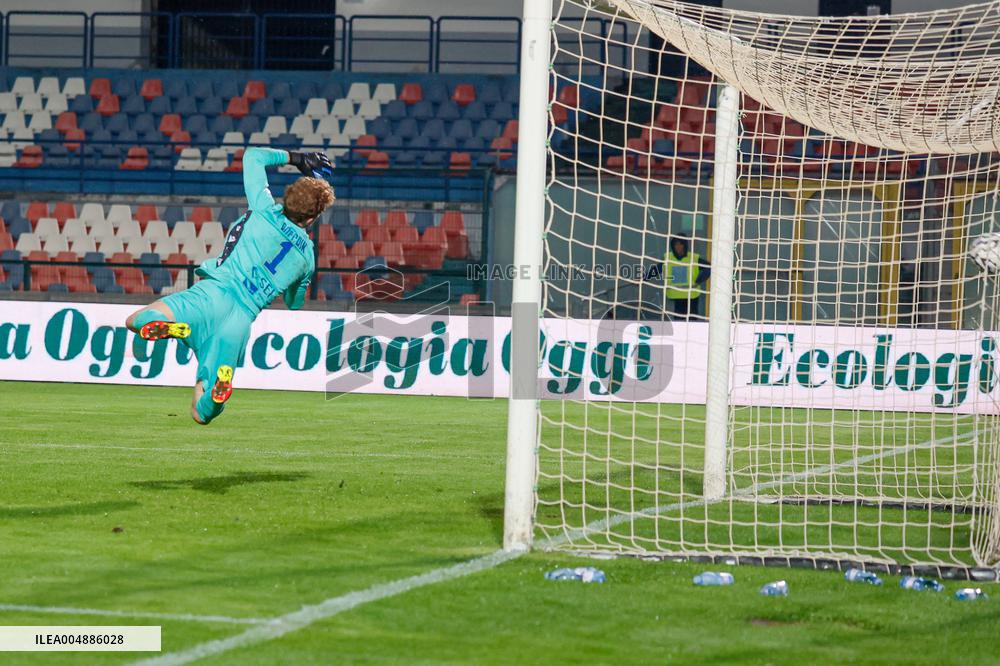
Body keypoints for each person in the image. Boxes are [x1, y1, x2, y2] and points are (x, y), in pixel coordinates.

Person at [125, 148, 335, 424]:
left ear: (288, 199)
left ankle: (167, 327)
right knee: (200, 413)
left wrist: (297, 159)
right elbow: (294, 302)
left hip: (212, 293)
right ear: (311, 219)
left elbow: (253, 156)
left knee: (136, 320)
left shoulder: (264, 208)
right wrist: (298, 280)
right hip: (238, 321)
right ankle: (215, 397)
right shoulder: (307, 256)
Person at [644, 234, 711, 318]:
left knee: (692, 322)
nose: (678, 247)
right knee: (678, 321)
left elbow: (708, 267)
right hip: (674, 298)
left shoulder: (693, 258)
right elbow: (656, 270)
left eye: (681, 244)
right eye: (676, 244)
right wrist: (643, 278)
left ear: (685, 245)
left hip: (691, 297)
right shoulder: (668, 258)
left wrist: (698, 280)